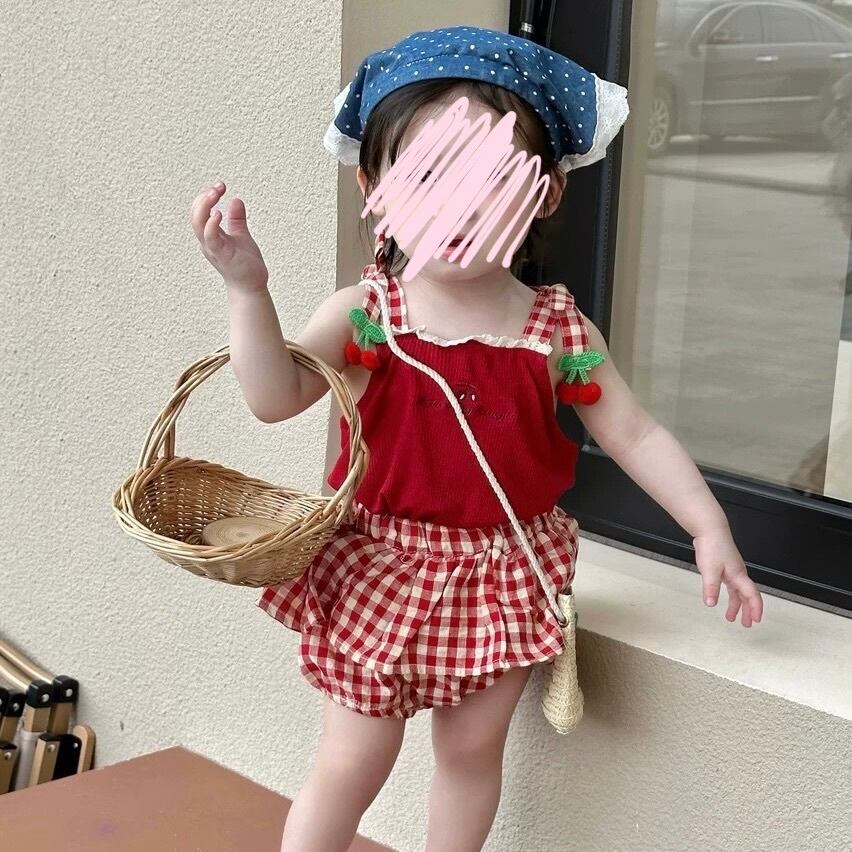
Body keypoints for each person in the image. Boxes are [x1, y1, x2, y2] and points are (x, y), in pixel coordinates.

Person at [190, 25, 764, 852]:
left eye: (492, 179)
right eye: (425, 176)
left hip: (504, 572)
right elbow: (274, 395)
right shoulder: (366, 314)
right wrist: (249, 291)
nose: (456, 207)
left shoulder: (557, 332)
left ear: (545, 195)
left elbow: (634, 432)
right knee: (352, 760)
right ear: (373, 185)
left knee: (468, 756)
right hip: (379, 566)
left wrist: (708, 525)